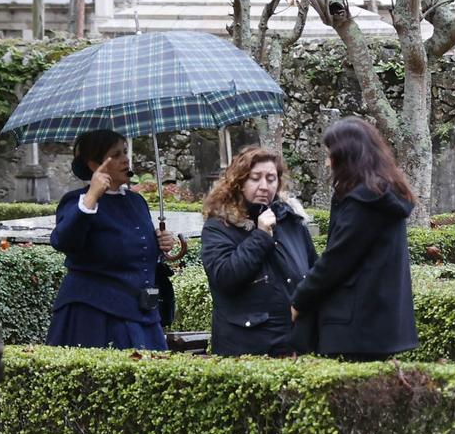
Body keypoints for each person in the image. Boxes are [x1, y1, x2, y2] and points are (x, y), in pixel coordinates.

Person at [290, 118, 417, 360]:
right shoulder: (381, 195)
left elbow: (336, 260)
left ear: (347, 156)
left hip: (355, 325)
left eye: (331, 155)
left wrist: (298, 300)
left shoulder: (365, 201)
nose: (327, 163)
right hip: (376, 324)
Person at [47, 130, 185, 350]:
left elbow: (136, 250)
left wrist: (161, 245)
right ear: (95, 165)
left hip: (142, 314)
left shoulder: (136, 202)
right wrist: (92, 196)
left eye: (125, 152)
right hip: (94, 314)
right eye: (116, 154)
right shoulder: (76, 201)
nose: (125, 159)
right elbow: (63, 242)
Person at [199, 146, 318, 357]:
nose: (264, 186)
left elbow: (313, 274)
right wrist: (261, 235)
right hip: (246, 349)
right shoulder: (219, 226)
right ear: (240, 182)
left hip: (295, 345)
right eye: (256, 178)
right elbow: (224, 277)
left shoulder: (292, 222)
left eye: (271, 178)